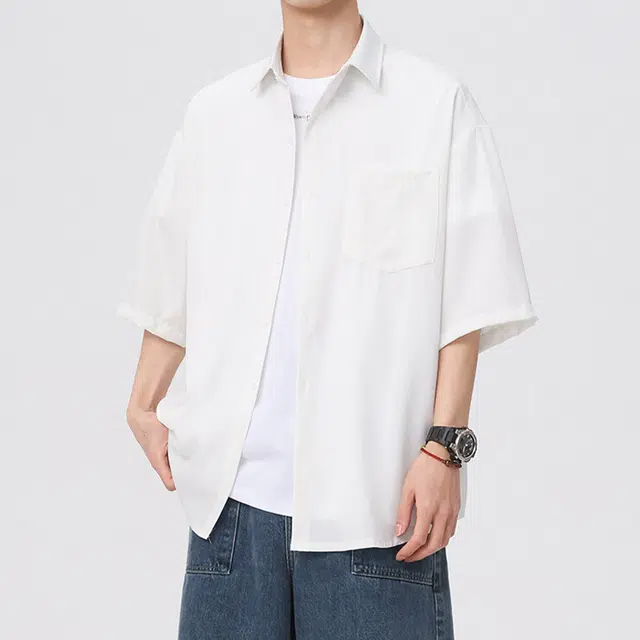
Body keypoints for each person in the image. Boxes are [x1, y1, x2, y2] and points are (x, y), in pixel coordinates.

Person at [117, 1, 537, 638]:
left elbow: (469, 294)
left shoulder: (434, 105)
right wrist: (143, 402)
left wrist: (445, 448)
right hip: (230, 516)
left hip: (376, 512)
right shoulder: (214, 115)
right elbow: (172, 271)